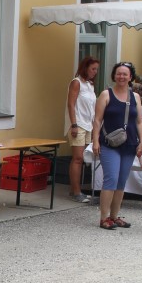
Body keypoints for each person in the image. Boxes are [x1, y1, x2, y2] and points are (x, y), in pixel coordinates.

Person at [91, 62, 142, 230]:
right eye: (118, 74)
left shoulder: (135, 97)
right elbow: (97, 120)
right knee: (111, 179)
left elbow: (139, 121)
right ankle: (104, 217)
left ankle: (114, 216)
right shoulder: (106, 95)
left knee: (121, 181)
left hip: (129, 144)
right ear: (114, 75)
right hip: (109, 143)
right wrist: (95, 141)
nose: (121, 77)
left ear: (130, 77)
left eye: (125, 74)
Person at [64, 56, 98, 202]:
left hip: (88, 125)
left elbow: (91, 107)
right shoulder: (76, 83)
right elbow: (71, 104)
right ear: (85, 68)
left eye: (96, 69)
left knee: (82, 158)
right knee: (77, 158)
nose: (95, 72)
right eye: (93, 69)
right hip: (78, 125)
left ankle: (75, 190)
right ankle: (77, 192)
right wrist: (74, 124)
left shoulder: (90, 85)